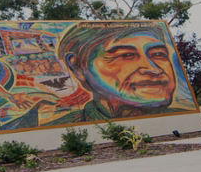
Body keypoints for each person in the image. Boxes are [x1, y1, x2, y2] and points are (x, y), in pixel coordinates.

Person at [54, 22, 185, 121]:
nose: (153, 69)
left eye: (158, 54)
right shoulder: (62, 127)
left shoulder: (181, 119)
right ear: (78, 68)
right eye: (126, 55)